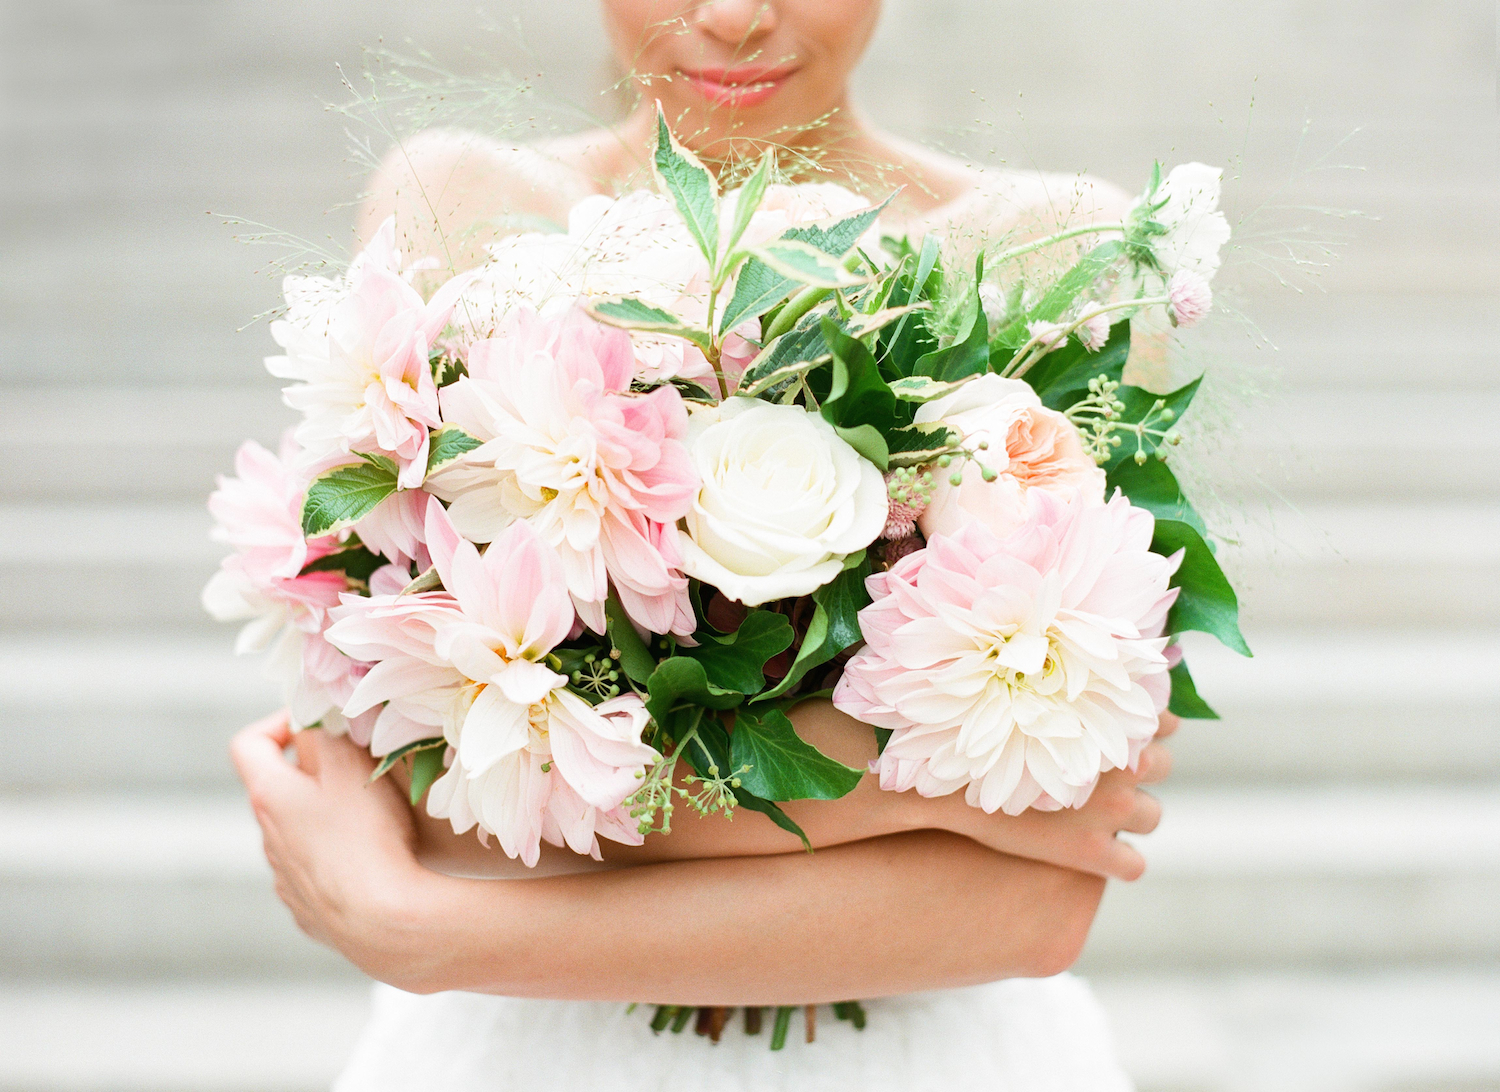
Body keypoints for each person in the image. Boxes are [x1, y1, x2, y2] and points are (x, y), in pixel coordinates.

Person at [232, 2, 1174, 1087]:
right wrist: (912, 796)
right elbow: (396, 776)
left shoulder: (1049, 247)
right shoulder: (466, 205)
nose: (732, 16)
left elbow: (1043, 894)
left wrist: (422, 932)